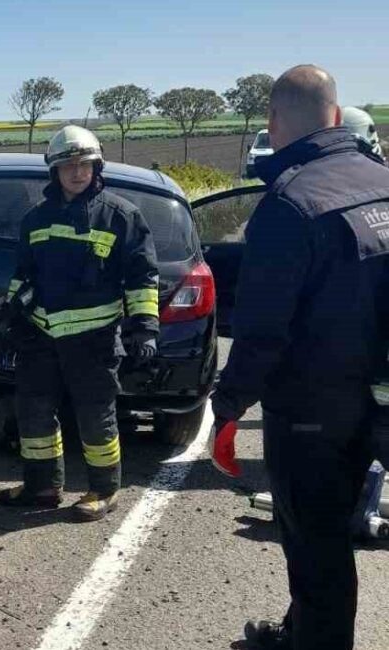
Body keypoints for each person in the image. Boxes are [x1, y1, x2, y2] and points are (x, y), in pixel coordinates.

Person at [208, 65, 389, 650]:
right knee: (332, 533)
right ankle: (304, 630)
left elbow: (262, 334)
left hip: (314, 413)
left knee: (316, 540)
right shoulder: (382, 181)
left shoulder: (288, 205)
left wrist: (227, 406)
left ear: (273, 124)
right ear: (336, 116)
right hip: (377, 401)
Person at [0, 125, 160, 522]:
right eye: (68, 165)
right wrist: (11, 315)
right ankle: (42, 486)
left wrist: (145, 328)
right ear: (54, 170)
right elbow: (23, 273)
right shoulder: (35, 220)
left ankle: (103, 490)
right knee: (33, 411)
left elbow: (142, 276)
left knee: (94, 415)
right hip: (39, 335)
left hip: (94, 339)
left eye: (84, 164)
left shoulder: (121, 216)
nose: (76, 172)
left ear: (96, 165)